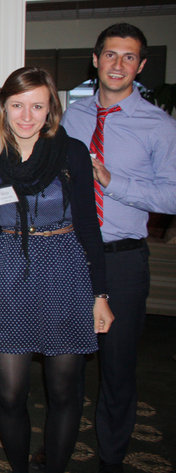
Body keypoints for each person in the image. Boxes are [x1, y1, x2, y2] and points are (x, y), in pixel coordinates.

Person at [0, 67, 115, 473]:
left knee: (63, 391)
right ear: (3, 106)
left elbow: (89, 225)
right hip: (12, 267)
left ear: (51, 108)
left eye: (37, 105)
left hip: (65, 269)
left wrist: (99, 296)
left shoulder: (70, 152)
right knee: (11, 393)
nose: (27, 116)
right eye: (17, 105)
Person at [61, 23, 176, 473]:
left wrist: (112, 182)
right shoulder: (72, 117)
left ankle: (110, 456)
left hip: (123, 258)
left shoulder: (160, 126)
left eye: (129, 57)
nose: (118, 64)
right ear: (96, 59)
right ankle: (60, 441)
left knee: (117, 366)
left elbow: (171, 197)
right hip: (70, 254)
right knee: (65, 361)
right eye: (110, 55)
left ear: (141, 66)